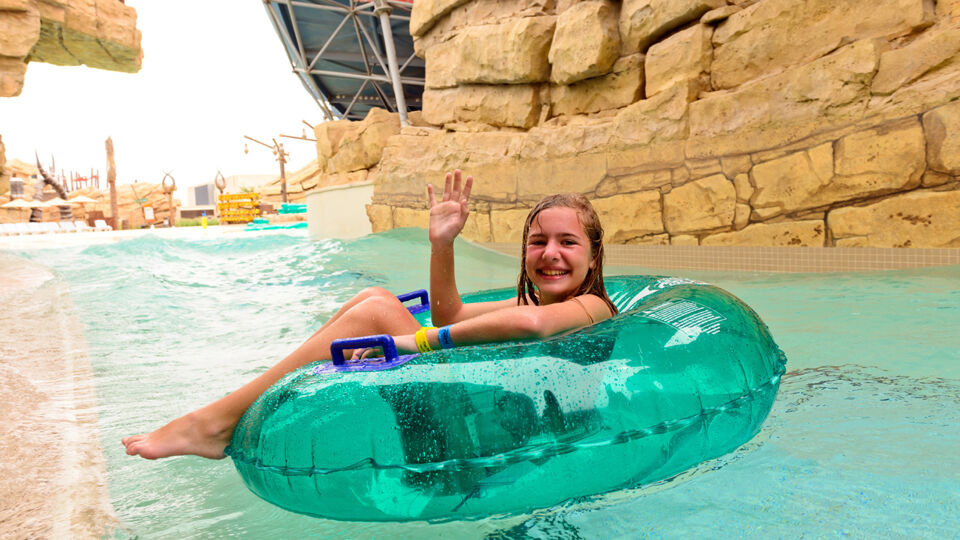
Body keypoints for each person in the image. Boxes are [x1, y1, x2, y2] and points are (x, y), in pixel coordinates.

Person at [121, 170, 618, 460]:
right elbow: (452, 313)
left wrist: (409, 343)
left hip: (508, 450)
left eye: (568, 242)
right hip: (483, 430)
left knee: (380, 312)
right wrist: (441, 245)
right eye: (539, 241)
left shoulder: (593, 306)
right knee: (375, 298)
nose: (551, 252)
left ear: (593, 257)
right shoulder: (535, 299)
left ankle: (217, 423)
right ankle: (242, 411)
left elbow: (529, 327)